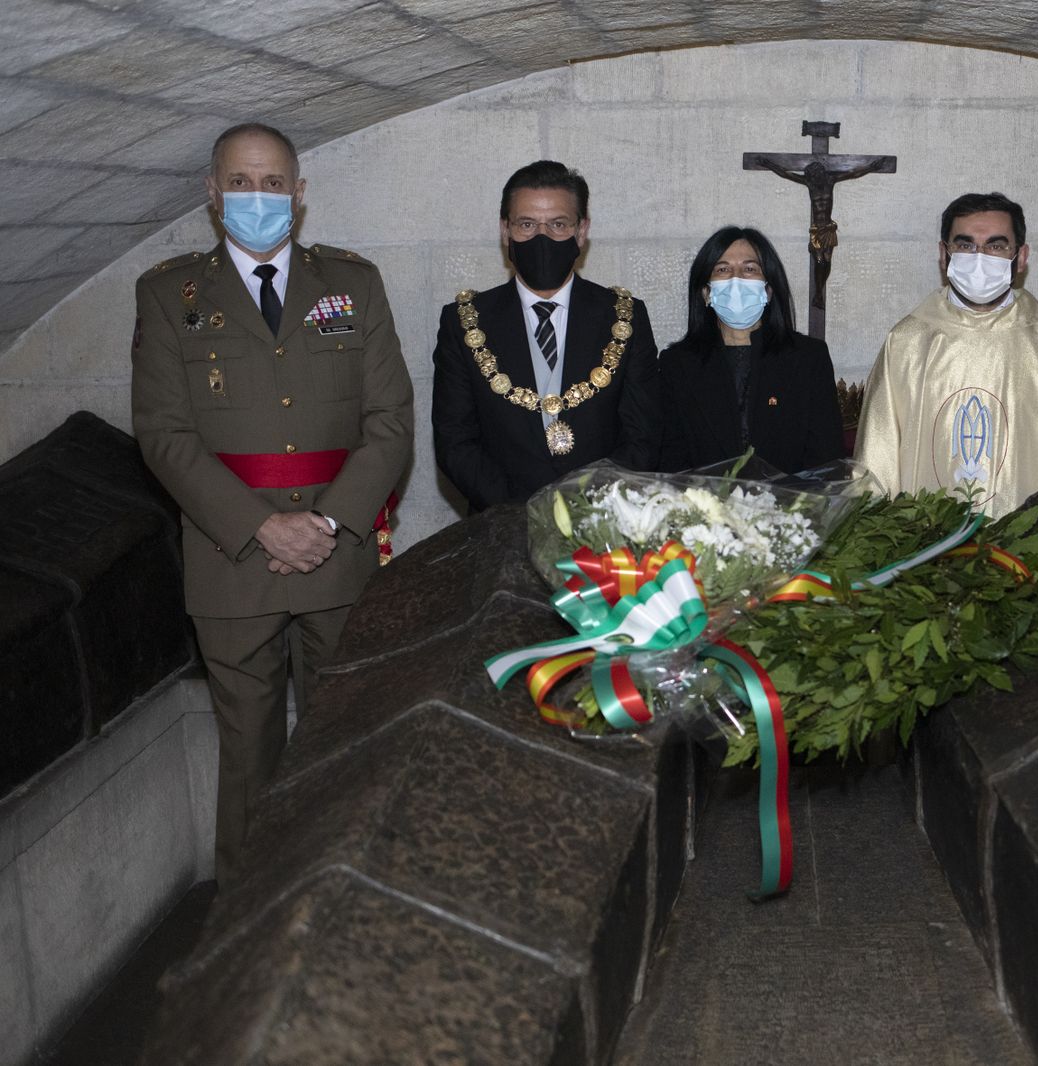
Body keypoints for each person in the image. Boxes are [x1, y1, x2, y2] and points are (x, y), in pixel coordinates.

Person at [131, 123, 414, 884]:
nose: (260, 198)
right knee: (248, 759)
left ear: (300, 192)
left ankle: (344, 901)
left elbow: (389, 423)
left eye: (274, 183)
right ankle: (247, 925)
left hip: (338, 555)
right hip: (233, 566)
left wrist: (324, 522)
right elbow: (164, 435)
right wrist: (261, 528)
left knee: (346, 745)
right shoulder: (168, 294)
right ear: (213, 193)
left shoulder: (354, 284)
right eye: (242, 183)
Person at [431, 160, 659, 512]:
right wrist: (523, 511)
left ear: (581, 231)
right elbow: (456, 443)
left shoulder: (624, 315)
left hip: (603, 522)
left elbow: (642, 436)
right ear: (505, 231)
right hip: (502, 522)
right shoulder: (463, 322)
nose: (542, 237)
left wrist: (590, 509)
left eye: (558, 224)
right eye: (526, 224)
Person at [853, 191, 1038, 516]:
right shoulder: (907, 342)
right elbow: (876, 459)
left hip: (1030, 558)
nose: (980, 257)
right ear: (944, 254)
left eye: (996, 246)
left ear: (1021, 257)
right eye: (965, 245)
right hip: (924, 552)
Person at [658, 226, 845, 473]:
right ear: (705, 292)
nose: (736, 279)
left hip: (793, 508)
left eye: (750, 269)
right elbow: (671, 462)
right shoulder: (678, 364)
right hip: (704, 507)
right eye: (723, 269)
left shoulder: (808, 358)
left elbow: (826, 462)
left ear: (768, 290)